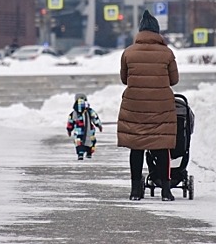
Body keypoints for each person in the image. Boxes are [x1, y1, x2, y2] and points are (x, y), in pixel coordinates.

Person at [117, 10, 179, 201]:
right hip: (161, 107)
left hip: (135, 107)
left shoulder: (128, 53)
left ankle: (135, 190)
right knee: (161, 147)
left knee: (137, 148)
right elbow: (174, 80)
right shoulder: (167, 53)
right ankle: (166, 191)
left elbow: (124, 79)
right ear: (157, 31)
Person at [66, 93, 103, 160]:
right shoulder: (89, 110)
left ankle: (80, 154)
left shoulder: (74, 113)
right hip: (90, 130)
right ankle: (89, 153)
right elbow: (95, 118)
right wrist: (99, 125)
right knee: (91, 141)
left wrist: (69, 129)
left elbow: (70, 121)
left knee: (78, 142)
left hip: (78, 131)